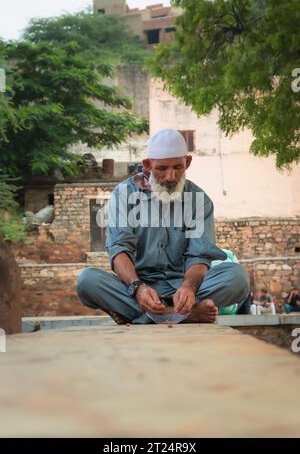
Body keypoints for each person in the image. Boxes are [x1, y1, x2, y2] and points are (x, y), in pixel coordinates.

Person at [77, 129, 250, 324]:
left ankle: (146, 317)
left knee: (237, 277)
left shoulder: (199, 201)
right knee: (87, 281)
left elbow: (199, 256)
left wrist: (189, 288)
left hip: (184, 288)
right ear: (147, 165)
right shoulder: (124, 194)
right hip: (138, 290)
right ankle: (186, 316)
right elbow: (119, 251)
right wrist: (138, 287)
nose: (170, 176)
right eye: (162, 168)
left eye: (178, 167)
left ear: (188, 163)